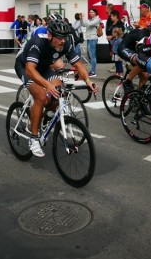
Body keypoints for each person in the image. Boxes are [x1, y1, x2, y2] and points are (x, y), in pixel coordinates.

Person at [14, 17, 97, 157]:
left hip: (44, 67)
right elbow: (30, 70)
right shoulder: (38, 42)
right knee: (40, 96)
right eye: (59, 37)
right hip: (25, 67)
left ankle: (46, 116)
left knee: (60, 92)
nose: (63, 41)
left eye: (64, 37)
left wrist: (88, 81)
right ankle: (34, 139)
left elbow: (78, 65)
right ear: (50, 35)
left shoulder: (65, 43)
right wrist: (46, 84)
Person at [83, 8, 101, 76]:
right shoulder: (90, 19)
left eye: (92, 12)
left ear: (95, 13)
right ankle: (92, 71)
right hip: (89, 38)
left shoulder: (97, 19)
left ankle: (93, 72)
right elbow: (84, 25)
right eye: (90, 12)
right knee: (91, 55)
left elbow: (89, 24)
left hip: (93, 38)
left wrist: (84, 17)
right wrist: (82, 18)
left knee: (93, 56)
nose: (90, 13)